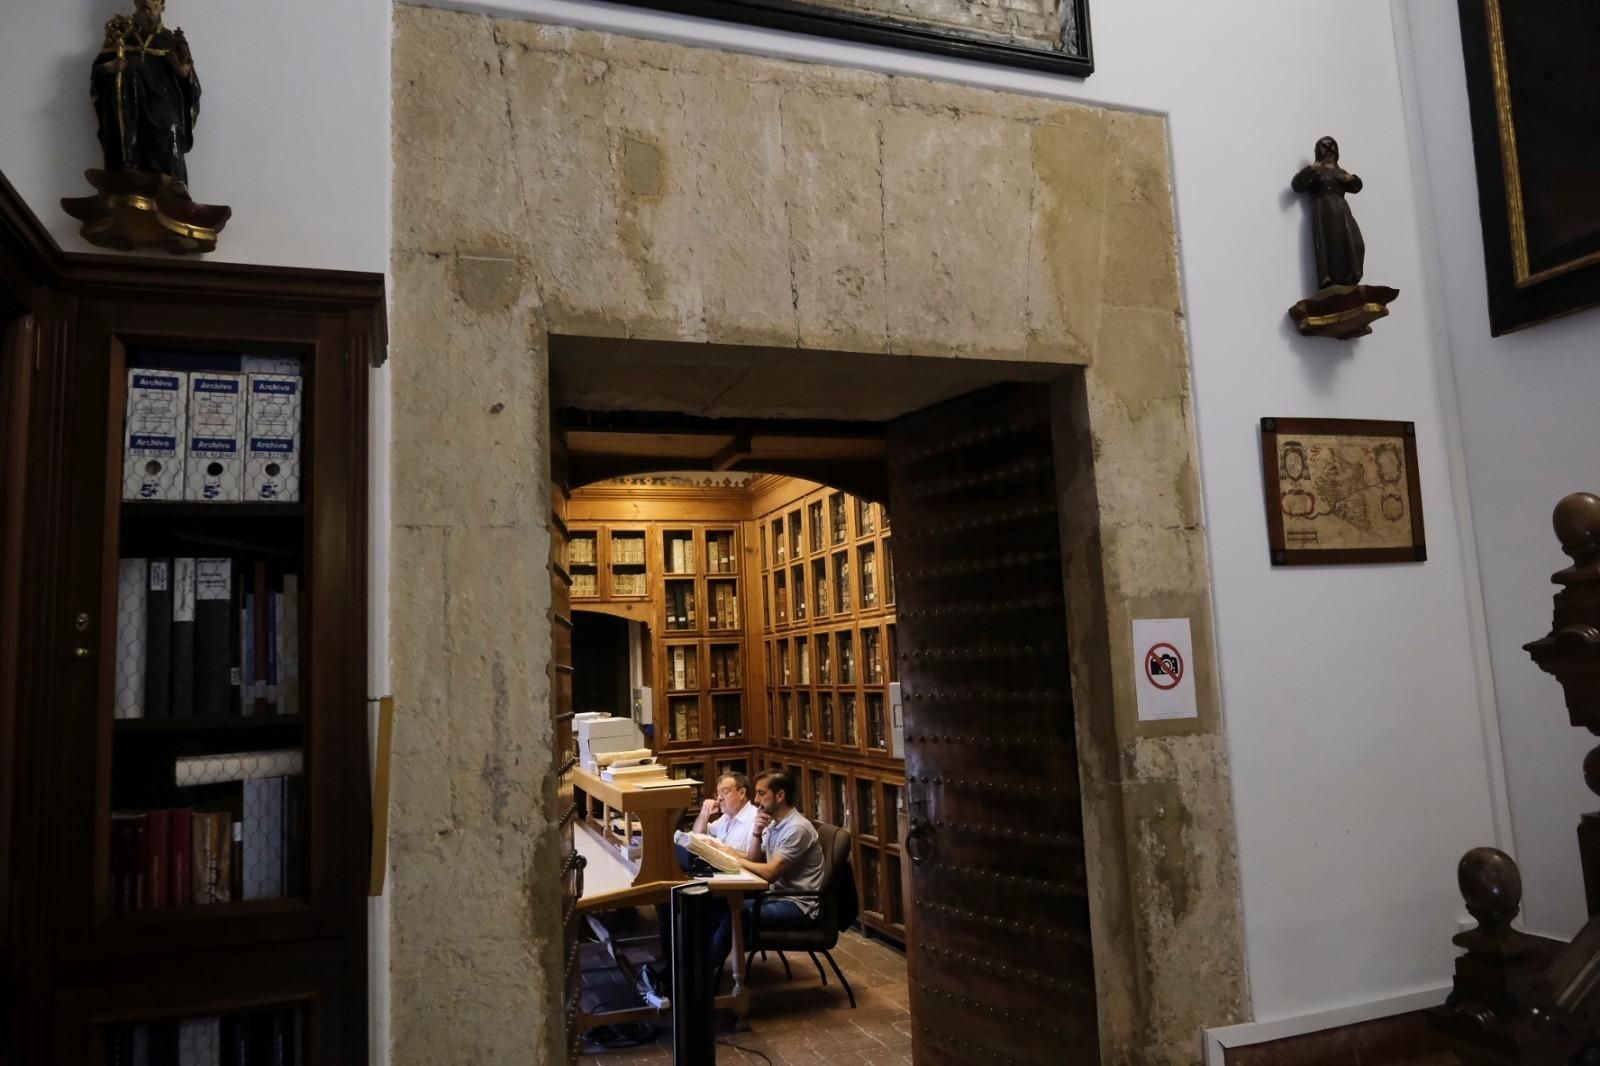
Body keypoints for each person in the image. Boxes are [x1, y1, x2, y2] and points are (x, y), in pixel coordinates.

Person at [706, 769, 826, 975]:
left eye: (762, 794)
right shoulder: (774, 823)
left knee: (735, 914)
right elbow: (753, 859)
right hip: (777, 896)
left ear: (780, 796)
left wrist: (733, 860)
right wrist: (755, 833)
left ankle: (701, 974)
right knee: (715, 905)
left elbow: (770, 873)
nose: (756, 799)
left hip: (798, 905)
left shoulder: (797, 829)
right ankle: (695, 969)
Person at [90, 0, 202, 193]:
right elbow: (99, 71)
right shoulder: (121, 36)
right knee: (126, 133)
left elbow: (188, 80)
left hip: (161, 97)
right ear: (136, 5)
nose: (149, 11)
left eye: (154, 6)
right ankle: (126, 176)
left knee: (171, 128)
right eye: (144, 7)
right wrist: (109, 68)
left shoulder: (169, 38)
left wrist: (184, 72)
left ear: (162, 8)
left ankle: (173, 184)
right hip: (128, 98)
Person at [1291, 136, 1365, 289]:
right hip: (1324, 210)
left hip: (1341, 210)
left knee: (1355, 242)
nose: (1329, 149)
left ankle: (1351, 274)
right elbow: (1297, 185)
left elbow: (1356, 187)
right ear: (1318, 150)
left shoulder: (1340, 171)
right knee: (1330, 243)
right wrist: (1311, 169)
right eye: (1324, 146)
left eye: (1331, 146)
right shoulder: (1316, 171)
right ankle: (1331, 278)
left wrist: (1351, 178)